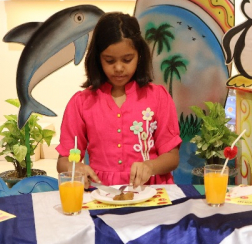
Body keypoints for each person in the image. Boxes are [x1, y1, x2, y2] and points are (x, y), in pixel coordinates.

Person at [56, 12, 180, 188]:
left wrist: (150, 166)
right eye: (109, 60)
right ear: (98, 58)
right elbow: (63, 162)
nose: (119, 68)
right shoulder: (82, 102)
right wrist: (75, 167)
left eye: (127, 60)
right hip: (101, 191)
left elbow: (172, 157)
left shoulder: (158, 97)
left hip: (150, 191)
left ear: (139, 55)